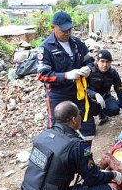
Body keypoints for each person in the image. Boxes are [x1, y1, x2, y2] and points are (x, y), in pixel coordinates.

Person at [20, 101, 122, 190]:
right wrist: (114, 175)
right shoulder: (77, 145)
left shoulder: (43, 135)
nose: (81, 117)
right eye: (79, 115)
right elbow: (93, 179)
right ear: (74, 119)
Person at [37, 10, 96, 141]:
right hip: (58, 95)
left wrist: (88, 68)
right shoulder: (46, 48)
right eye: (64, 30)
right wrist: (66, 75)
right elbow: (43, 75)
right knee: (58, 130)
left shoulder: (77, 43)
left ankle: (84, 155)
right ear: (53, 27)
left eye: (69, 29)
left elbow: (90, 60)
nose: (67, 33)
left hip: (78, 91)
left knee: (87, 125)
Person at [87, 49, 122, 125]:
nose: (105, 65)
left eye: (108, 62)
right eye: (102, 61)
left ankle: (102, 115)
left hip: (105, 97)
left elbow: (120, 92)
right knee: (88, 110)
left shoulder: (113, 74)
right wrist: (94, 94)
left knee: (114, 109)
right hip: (90, 99)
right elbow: (82, 89)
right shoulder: (89, 71)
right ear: (97, 61)